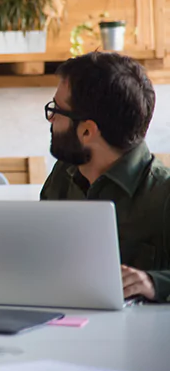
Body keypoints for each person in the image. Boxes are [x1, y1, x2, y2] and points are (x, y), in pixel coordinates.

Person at [40, 51, 169, 303]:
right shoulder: (62, 176)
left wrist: (154, 283)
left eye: (56, 109)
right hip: (63, 327)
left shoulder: (163, 193)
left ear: (87, 130)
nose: (51, 118)